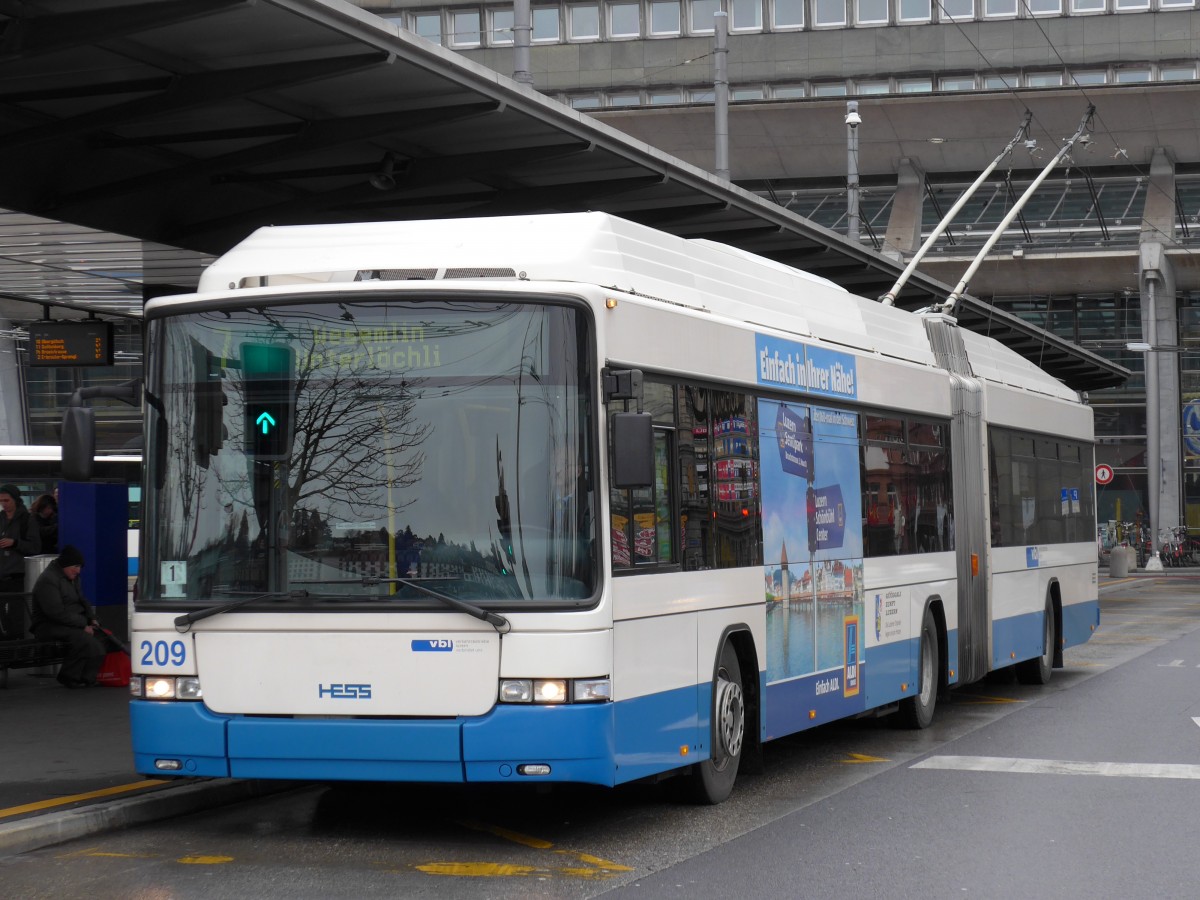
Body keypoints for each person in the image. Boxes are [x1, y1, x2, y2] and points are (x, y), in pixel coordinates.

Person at [31, 545, 105, 689]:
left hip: (70, 622)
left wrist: (92, 619)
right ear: (65, 564)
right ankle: (70, 676)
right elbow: (55, 612)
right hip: (48, 625)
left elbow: (82, 600)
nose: (78, 571)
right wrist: (83, 624)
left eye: (80, 567)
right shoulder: (48, 580)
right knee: (84, 640)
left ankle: (86, 677)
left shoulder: (72, 578)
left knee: (102, 638)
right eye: (76, 566)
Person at [0, 483, 41, 597]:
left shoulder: (28, 520)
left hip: (17, 576)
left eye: (6, 500)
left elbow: (35, 547)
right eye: (1, 501)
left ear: (15, 500)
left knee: (16, 611)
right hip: (2, 574)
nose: (3, 504)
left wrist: (15, 543)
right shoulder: (1, 519)